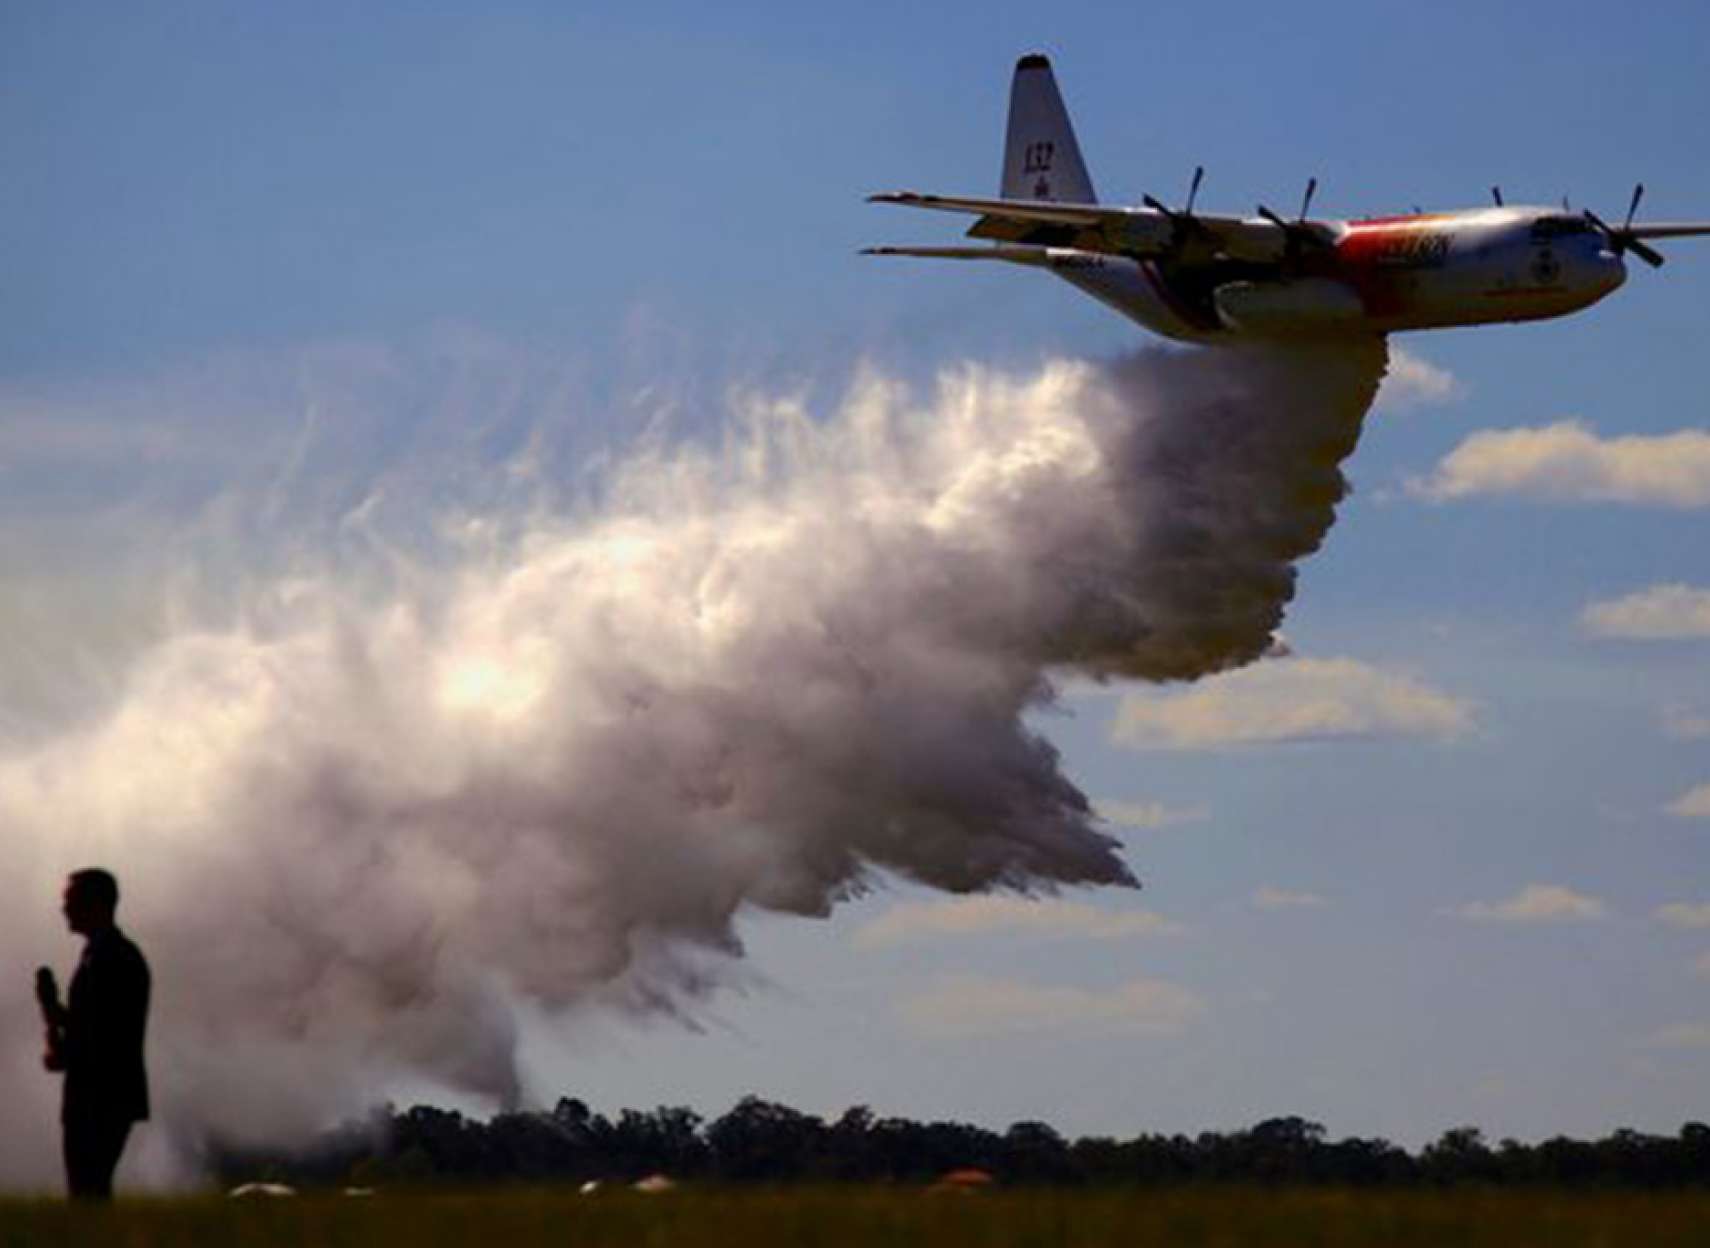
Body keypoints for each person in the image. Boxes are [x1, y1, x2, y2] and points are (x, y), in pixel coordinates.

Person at [37, 868, 151, 1200]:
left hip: (102, 1096)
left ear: (96, 904)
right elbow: (94, 1024)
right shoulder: (107, 955)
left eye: (71, 901)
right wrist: (55, 1012)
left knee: (88, 1192)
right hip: (100, 1095)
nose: (65, 910)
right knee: (89, 1190)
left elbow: (104, 1034)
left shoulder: (113, 958)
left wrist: (62, 1049)